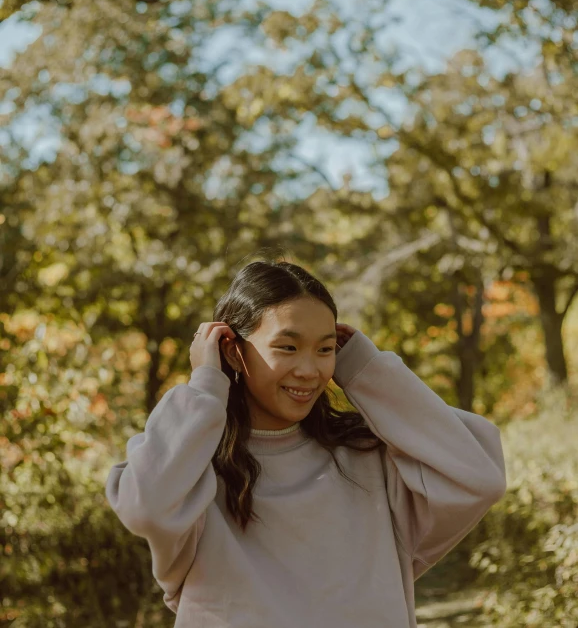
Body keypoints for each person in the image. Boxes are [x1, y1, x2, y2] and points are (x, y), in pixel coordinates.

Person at [105, 258, 507, 628]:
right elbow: (145, 507)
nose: (309, 370)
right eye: (288, 346)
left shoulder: (367, 455)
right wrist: (207, 389)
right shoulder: (191, 467)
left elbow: (479, 478)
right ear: (232, 350)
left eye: (325, 348)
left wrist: (368, 370)